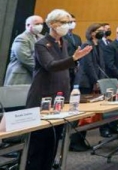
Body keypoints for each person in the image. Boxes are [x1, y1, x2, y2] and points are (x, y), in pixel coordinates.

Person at [25, 9, 92, 170]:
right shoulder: (42, 43)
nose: (67, 26)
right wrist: (74, 59)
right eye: (63, 22)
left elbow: (65, 67)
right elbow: (51, 65)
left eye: (68, 22)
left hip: (60, 95)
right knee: (39, 143)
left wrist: (74, 62)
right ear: (52, 24)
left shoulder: (64, 42)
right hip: (43, 95)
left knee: (54, 141)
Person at [70, 23, 110, 151]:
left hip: (94, 81)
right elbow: (88, 65)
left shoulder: (99, 45)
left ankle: (81, 140)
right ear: (92, 33)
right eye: (99, 30)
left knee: (88, 113)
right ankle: (74, 142)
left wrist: (101, 80)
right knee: (81, 113)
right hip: (85, 82)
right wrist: (96, 81)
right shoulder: (86, 45)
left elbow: (101, 64)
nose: (102, 32)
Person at [4, 15, 44, 85]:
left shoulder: (42, 38)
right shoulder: (21, 38)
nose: (40, 26)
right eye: (37, 24)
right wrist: (42, 69)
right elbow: (26, 59)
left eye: (41, 24)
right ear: (28, 25)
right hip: (21, 76)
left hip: (34, 77)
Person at [64, 13, 82, 90]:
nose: (73, 24)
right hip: (66, 66)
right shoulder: (62, 36)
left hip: (76, 68)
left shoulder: (77, 37)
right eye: (71, 22)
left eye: (74, 21)